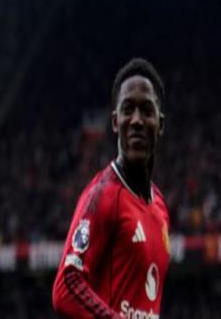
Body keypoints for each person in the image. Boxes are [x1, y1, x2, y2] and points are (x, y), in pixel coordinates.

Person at [52, 58, 170, 318]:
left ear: (160, 124)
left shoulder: (160, 206)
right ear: (116, 122)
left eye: (146, 110)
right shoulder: (103, 196)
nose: (137, 120)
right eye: (128, 110)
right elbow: (66, 286)